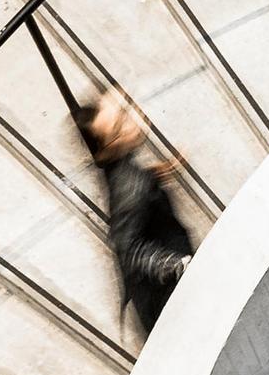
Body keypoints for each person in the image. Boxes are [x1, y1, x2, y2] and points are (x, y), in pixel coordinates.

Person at [71, 89, 195, 336]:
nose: (134, 118)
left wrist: (152, 177)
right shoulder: (131, 187)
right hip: (166, 293)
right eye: (121, 122)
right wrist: (175, 264)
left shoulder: (121, 171)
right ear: (109, 148)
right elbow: (129, 249)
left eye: (126, 108)